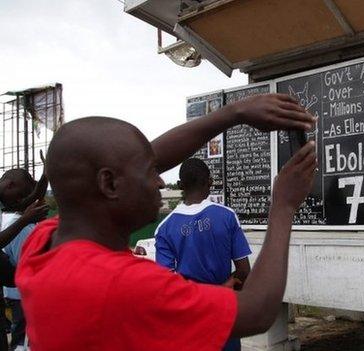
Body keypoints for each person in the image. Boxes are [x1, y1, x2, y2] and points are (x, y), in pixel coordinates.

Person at [16, 93, 317, 350]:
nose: (161, 182)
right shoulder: (121, 284)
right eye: (150, 171)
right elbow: (258, 311)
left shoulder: (43, 241)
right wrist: (284, 205)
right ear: (109, 185)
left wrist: (234, 113)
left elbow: (138, 160)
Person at [156, 158, 251, 351]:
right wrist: (223, 290)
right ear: (209, 181)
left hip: (190, 318)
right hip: (224, 314)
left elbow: (166, 287)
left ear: (181, 185)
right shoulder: (226, 216)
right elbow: (244, 269)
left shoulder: (164, 228)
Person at [0, 170, 46, 350]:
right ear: (10, 186)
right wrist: (25, 220)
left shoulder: (5, 203)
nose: (20, 203)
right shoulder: (20, 224)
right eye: (19, 198)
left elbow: (30, 198)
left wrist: (45, 177)